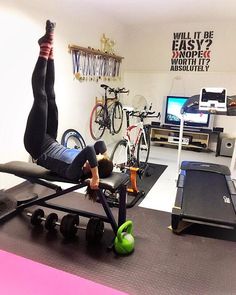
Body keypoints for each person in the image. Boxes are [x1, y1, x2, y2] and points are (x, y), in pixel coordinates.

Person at [24, 20, 113, 191]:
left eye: (95, 161)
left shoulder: (75, 172)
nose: (93, 158)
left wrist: (96, 175)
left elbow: (88, 149)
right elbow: (99, 144)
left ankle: (45, 48)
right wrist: (106, 158)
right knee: (51, 96)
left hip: (35, 145)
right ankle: (48, 50)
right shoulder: (87, 162)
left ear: (91, 168)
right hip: (50, 139)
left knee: (41, 98)